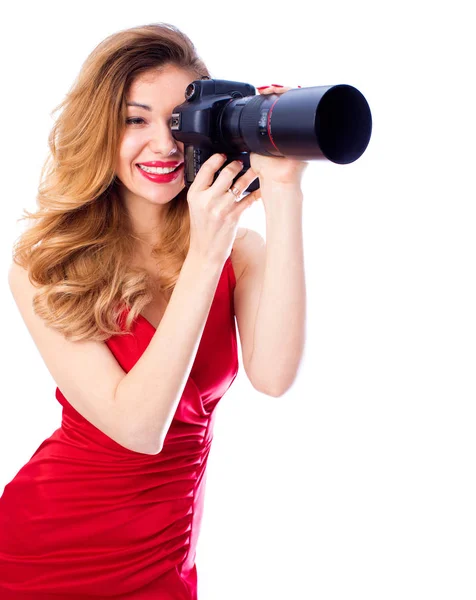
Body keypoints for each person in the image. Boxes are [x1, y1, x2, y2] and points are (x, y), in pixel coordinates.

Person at [0, 22, 307, 599]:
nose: (165, 146)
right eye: (135, 120)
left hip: (163, 558)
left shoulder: (239, 250)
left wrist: (284, 191)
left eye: (178, 124)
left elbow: (274, 376)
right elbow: (138, 428)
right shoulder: (44, 266)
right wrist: (206, 251)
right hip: (40, 553)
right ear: (99, 129)